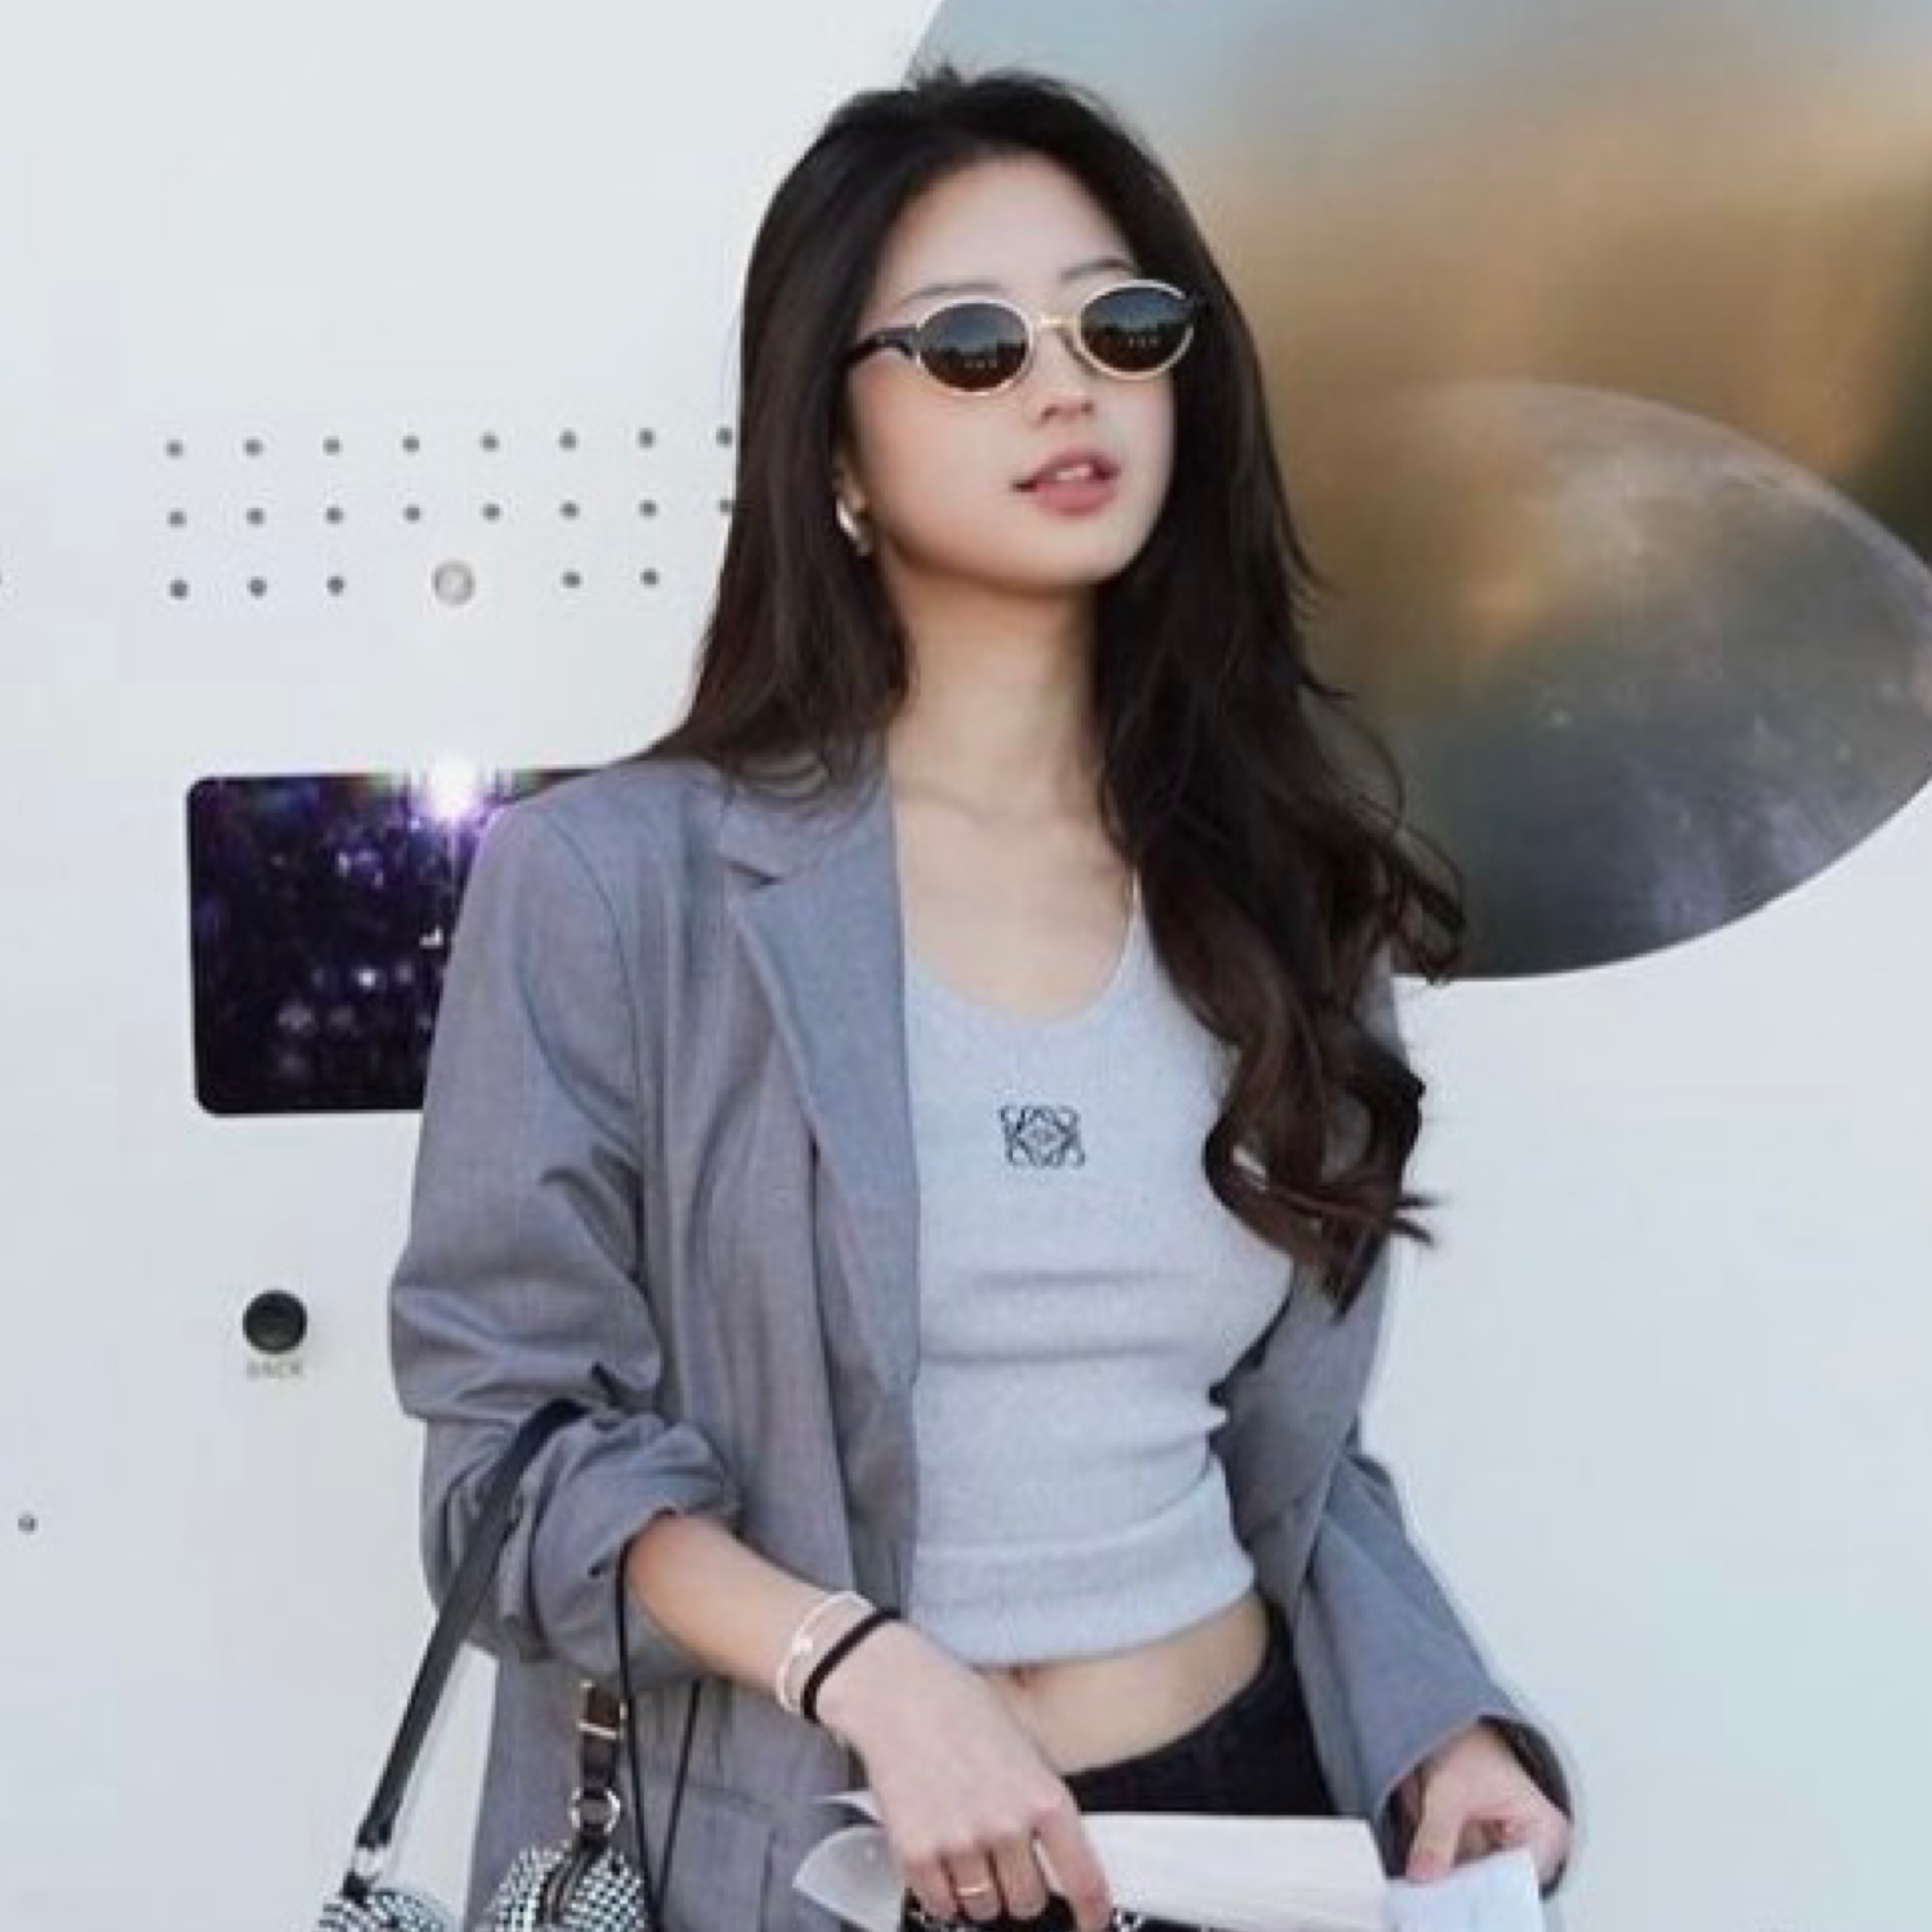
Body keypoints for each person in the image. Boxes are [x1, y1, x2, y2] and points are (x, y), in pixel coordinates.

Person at [389, 63, 1574, 1932]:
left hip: (1231, 1827)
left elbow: (1282, 1464)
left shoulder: (1278, 886)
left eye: (1121, 326)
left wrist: (1440, 1727)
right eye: (967, 345)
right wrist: (853, 1661)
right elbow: (508, 1469)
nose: (1064, 384)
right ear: (835, 454)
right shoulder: (613, 886)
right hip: (809, 1848)